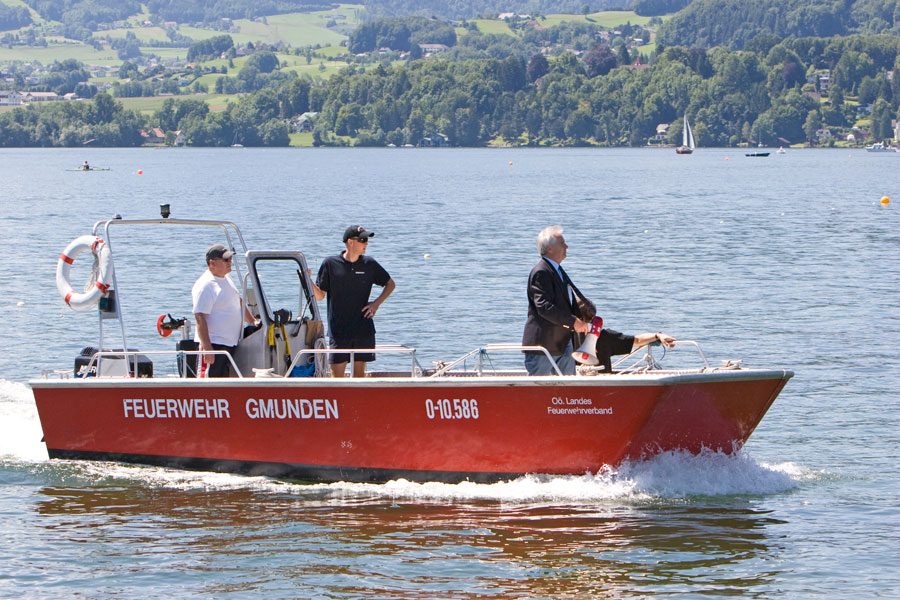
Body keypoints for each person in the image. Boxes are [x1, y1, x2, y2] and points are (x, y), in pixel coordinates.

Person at [311, 225, 395, 378]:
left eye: (367, 240)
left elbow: (390, 284)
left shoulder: (369, 264)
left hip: (363, 328)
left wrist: (376, 304)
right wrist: (307, 280)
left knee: (359, 379)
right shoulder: (330, 264)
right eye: (362, 240)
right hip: (339, 330)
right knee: (337, 380)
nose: (366, 244)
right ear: (350, 242)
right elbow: (320, 296)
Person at [522, 225, 589, 375]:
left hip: (562, 343)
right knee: (538, 391)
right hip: (543, 346)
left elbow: (566, 303)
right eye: (562, 243)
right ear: (550, 249)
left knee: (566, 393)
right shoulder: (541, 272)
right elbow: (544, 307)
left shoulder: (557, 270)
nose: (566, 246)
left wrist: (583, 322)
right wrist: (573, 321)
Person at [192, 243, 258, 377]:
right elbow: (199, 317)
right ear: (212, 263)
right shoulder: (206, 285)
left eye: (230, 259)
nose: (230, 262)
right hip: (214, 345)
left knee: (224, 383)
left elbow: (238, 301)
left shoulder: (226, 279)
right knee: (208, 384)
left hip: (229, 344)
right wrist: (208, 348)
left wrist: (252, 321)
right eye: (225, 260)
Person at [577, 300, 677, 372]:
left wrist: (658, 336)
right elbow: (638, 340)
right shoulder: (566, 338)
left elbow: (637, 340)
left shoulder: (605, 337)